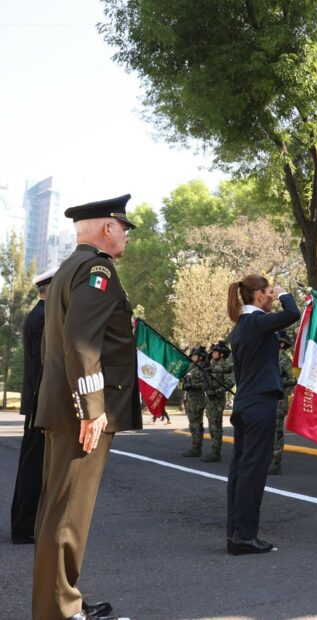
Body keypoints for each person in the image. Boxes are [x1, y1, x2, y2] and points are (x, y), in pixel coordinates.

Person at [32, 194, 140, 620]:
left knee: (60, 512)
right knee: (67, 516)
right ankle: (60, 610)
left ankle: (61, 601)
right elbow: (81, 342)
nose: (126, 236)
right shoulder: (98, 269)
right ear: (108, 228)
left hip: (64, 405)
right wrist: (92, 408)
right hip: (80, 412)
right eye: (124, 228)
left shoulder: (68, 269)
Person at [225, 275, 299, 555]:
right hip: (258, 404)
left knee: (241, 470)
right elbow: (292, 314)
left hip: (247, 403)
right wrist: (284, 294)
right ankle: (244, 536)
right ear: (258, 295)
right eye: (269, 292)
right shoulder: (255, 322)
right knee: (253, 472)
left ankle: (236, 533)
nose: (272, 296)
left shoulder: (242, 325)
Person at [10, 267, 56, 544]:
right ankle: (24, 527)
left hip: (36, 402)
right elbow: (43, 366)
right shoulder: (46, 318)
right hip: (41, 403)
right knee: (33, 467)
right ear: (52, 288)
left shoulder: (38, 314)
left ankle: (24, 524)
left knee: (32, 465)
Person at [268, 331, 297, 475]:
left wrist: (278, 382)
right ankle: (268, 460)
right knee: (268, 431)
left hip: (280, 401)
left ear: (281, 344)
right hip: (268, 400)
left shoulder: (285, 360)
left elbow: (293, 380)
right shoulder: (269, 358)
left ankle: (275, 463)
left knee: (276, 433)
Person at [202, 340, 233, 462]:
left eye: (215, 352)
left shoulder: (225, 366)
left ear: (221, 354)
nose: (213, 354)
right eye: (213, 352)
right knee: (211, 426)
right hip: (210, 399)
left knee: (216, 427)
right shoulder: (212, 365)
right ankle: (213, 451)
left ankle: (216, 453)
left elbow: (229, 383)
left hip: (217, 399)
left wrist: (216, 392)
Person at [181, 345, 209, 457]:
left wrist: (193, 386)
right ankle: (194, 447)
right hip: (189, 399)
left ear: (200, 357)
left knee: (196, 424)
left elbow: (205, 384)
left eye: (195, 355)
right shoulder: (192, 368)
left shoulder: (203, 369)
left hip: (197, 400)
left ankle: (197, 448)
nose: (192, 357)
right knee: (192, 425)